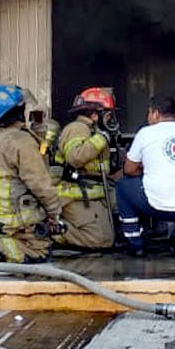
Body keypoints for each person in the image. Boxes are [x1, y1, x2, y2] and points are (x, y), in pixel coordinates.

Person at [0, 84, 63, 263]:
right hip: (13, 220)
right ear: (17, 111)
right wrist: (54, 212)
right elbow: (39, 183)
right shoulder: (20, 141)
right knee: (41, 251)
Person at [115, 94, 175, 257]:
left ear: (156, 113)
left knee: (123, 185)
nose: (148, 117)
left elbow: (128, 169)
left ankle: (135, 243)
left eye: (149, 113)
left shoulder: (145, 133)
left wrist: (145, 174)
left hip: (153, 205)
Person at [51, 87, 118, 250]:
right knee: (100, 241)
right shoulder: (78, 128)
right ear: (95, 114)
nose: (110, 119)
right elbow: (75, 157)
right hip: (75, 196)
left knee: (109, 238)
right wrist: (101, 139)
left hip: (92, 195)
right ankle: (50, 230)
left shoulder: (92, 131)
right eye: (108, 114)